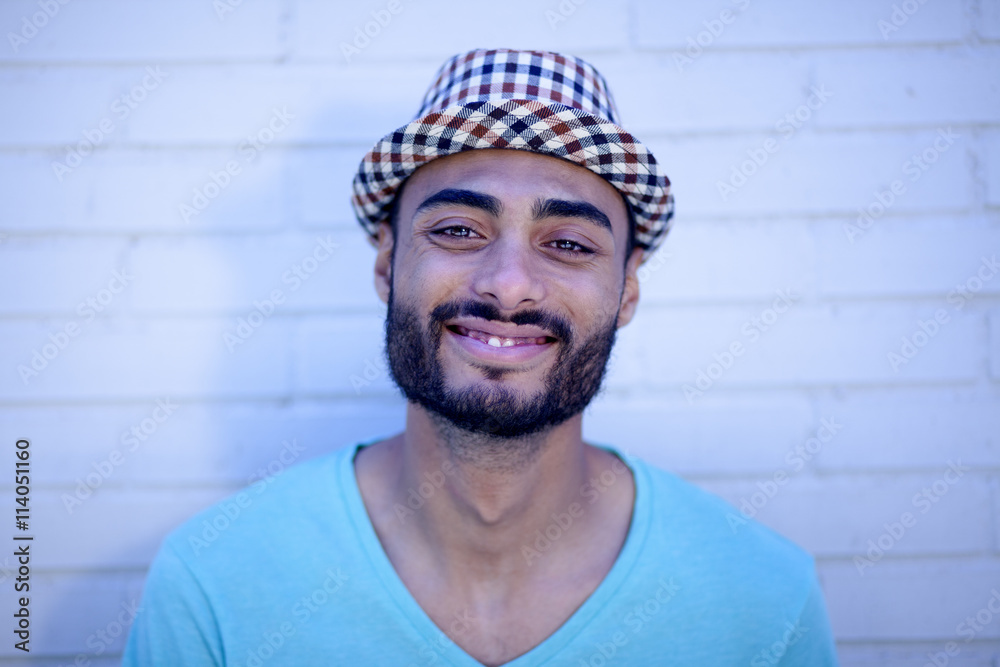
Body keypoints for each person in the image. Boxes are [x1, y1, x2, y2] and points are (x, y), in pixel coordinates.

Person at [124, 48, 839, 666]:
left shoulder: (763, 597)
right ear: (387, 264)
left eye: (568, 244)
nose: (509, 284)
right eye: (460, 229)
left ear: (626, 292)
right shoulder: (214, 583)